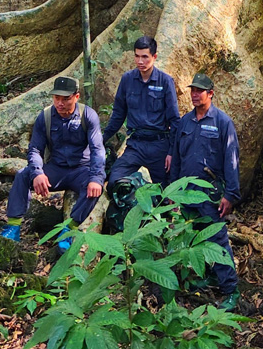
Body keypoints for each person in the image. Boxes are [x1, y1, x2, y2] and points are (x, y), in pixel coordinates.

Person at [0, 75, 105, 251]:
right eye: (57, 98)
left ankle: (68, 230)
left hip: (81, 169)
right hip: (55, 169)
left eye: (66, 99)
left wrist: (96, 177)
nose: (60, 103)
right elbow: (35, 149)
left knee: (94, 188)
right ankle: (13, 227)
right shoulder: (46, 117)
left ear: (76, 97)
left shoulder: (88, 115)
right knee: (22, 175)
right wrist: (38, 173)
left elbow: (98, 150)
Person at [170, 73, 240, 311]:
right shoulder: (185, 122)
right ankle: (209, 276)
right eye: (193, 90)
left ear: (211, 94)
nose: (195, 94)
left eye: (200, 91)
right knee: (195, 236)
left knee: (217, 240)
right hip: (187, 192)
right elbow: (177, 158)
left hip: (210, 193)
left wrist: (231, 194)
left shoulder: (222, 122)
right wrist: (174, 191)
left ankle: (231, 290)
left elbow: (232, 160)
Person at [103, 35, 180, 190]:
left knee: (165, 192)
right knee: (114, 182)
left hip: (159, 146)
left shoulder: (165, 81)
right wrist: (101, 139)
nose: (140, 61)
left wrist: (171, 152)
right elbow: (118, 115)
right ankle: (138, 191)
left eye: (145, 57)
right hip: (136, 145)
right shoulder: (127, 79)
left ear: (154, 57)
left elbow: (175, 120)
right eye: (137, 56)